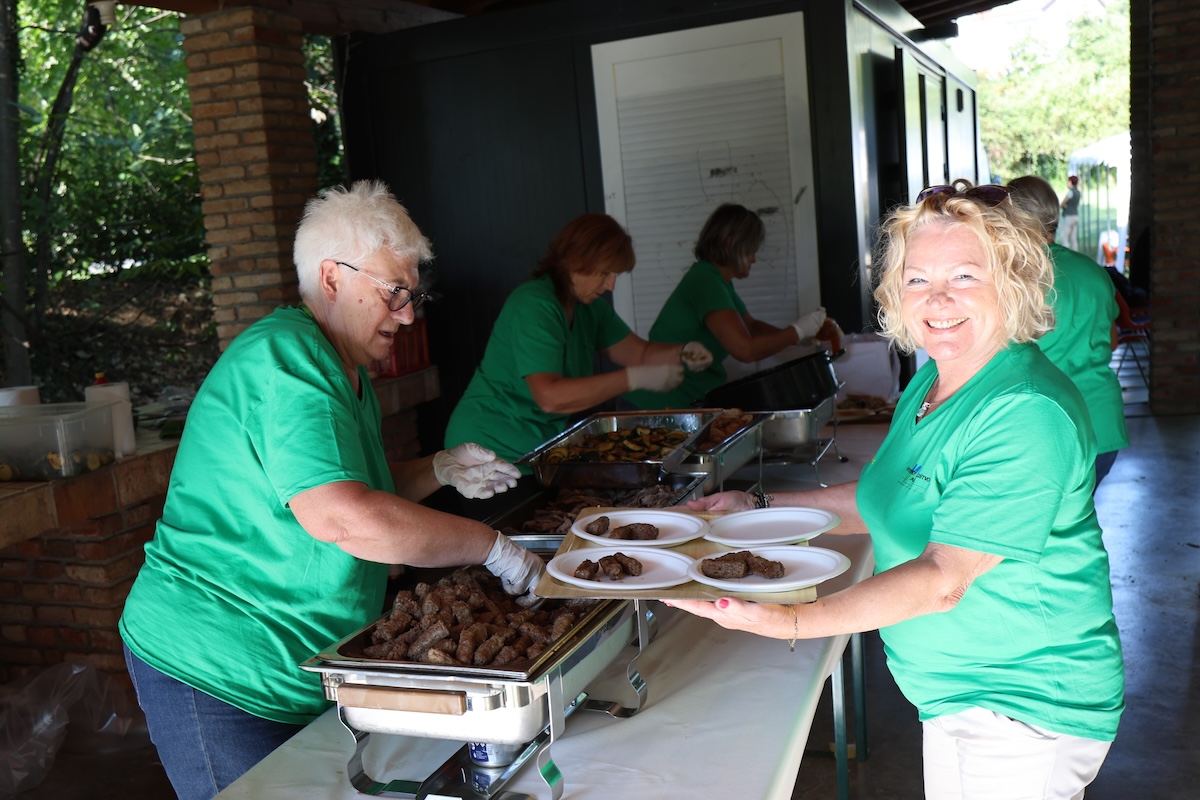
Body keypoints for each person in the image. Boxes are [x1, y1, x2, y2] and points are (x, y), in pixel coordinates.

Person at [668, 180, 1124, 800]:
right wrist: (759, 507)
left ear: (1012, 280)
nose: (937, 299)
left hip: (1023, 705)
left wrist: (794, 622)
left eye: (965, 276)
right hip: (959, 693)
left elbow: (945, 577)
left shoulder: (1025, 410)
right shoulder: (937, 379)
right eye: (917, 279)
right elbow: (885, 495)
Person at [118, 181, 543, 800]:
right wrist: (491, 547)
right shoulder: (290, 362)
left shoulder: (340, 366)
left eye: (412, 294)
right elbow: (345, 519)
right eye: (395, 292)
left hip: (297, 664)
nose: (408, 313)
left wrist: (439, 468)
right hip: (217, 664)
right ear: (333, 277)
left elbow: (352, 488)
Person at [444, 212, 712, 465]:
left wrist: (684, 352)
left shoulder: (589, 307)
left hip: (537, 447)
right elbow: (549, 396)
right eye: (605, 273)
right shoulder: (535, 305)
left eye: (615, 275)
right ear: (575, 261)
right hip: (487, 448)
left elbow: (639, 353)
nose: (611, 285)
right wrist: (634, 379)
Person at [624, 202, 829, 410]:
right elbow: (745, 350)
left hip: (679, 401)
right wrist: (797, 331)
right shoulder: (706, 282)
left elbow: (751, 326)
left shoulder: (718, 281)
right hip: (658, 404)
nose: (754, 259)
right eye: (750, 251)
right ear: (730, 243)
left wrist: (801, 338)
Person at [1008, 175, 1129, 487]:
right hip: (1101, 422)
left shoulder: (1016, 276)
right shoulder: (1093, 271)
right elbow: (1112, 340)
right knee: (1077, 524)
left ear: (1009, 216)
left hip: (1047, 425)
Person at [1060, 175, 1081, 251]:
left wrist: (1064, 205)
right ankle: (1076, 253)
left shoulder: (1070, 192)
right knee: (1073, 238)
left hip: (1069, 216)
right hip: (1075, 215)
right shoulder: (1078, 192)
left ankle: (1067, 254)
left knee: (1064, 237)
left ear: (1070, 182)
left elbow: (1062, 204)